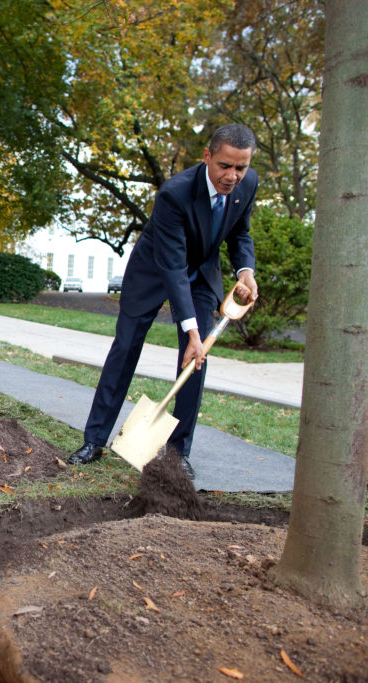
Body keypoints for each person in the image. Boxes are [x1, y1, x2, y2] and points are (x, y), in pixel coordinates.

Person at [68, 124, 260, 479]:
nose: (232, 176)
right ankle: (94, 440)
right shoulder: (174, 193)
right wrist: (189, 329)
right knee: (125, 349)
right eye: (224, 166)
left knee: (196, 361)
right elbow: (172, 265)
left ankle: (177, 452)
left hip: (202, 273)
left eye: (241, 167)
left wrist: (244, 270)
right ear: (207, 157)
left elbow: (239, 232)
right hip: (155, 272)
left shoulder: (248, 184)